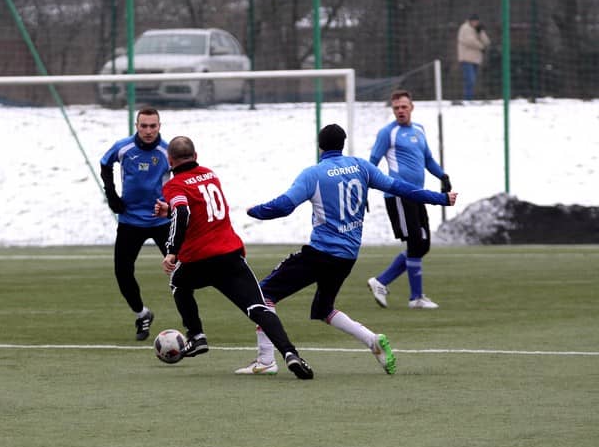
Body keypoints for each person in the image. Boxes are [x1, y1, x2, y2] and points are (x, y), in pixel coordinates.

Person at [238, 124, 457, 375]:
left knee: (263, 295)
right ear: (342, 144)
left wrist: (255, 211)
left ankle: (266, 360)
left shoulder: (314, 174)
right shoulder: (361, 166)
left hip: (320, 253)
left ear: (320, 146)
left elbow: (284, 206)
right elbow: (400, 187)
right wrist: (440, 198)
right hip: (347, 257)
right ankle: (372, 340)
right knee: (324, 309)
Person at [155, 136, 314, 379]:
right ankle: (290, 353)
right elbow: (200, 209)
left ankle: (196, 335)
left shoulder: (174, 185)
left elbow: (184, 211)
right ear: (196, 156)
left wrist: (172, 250)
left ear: (170, 160)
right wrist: (172, 212)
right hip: (229, 255)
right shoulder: (210, 175)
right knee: (258, 308)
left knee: (179, 283)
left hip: (199, 260)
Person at [367, 89, 452, 310]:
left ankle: (381, 281)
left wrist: (442, 176)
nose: (400, 111)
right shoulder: (388, 133)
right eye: (396, 108)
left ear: (411, 107)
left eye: (404, 107)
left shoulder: (419, 129)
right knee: (415, 242)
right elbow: (372, 163)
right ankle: (416, 298)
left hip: (418, 196)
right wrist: (364, 189)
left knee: (423, 245)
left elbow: (428, 159)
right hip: (399, 195)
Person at [100, 106, 171, 340]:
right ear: (137, 126)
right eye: (144, 126)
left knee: (181, 272)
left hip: (162, 220)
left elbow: (182, 177)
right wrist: (111, 195)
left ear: (159, 126)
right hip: (130, 219)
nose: (148, 131)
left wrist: (173, 205)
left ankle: (192, 327)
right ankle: (142, 314)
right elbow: (105, 164)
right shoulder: (123, 147)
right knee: (122, 271)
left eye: (153, 126)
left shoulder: (168, 151)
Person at [457, 13, 491, 101]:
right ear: (470, 21)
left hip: (476, 59)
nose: (475, 23)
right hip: (466, 59)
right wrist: (482, 47)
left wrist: (481, 32)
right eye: (474, 21)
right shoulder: (465, 28)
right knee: (470, 80)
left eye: (476, 21)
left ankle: (469, 98)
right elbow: (470, 41)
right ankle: (468, 99)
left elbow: (487, 42)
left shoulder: (477, 29)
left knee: (472, 81)